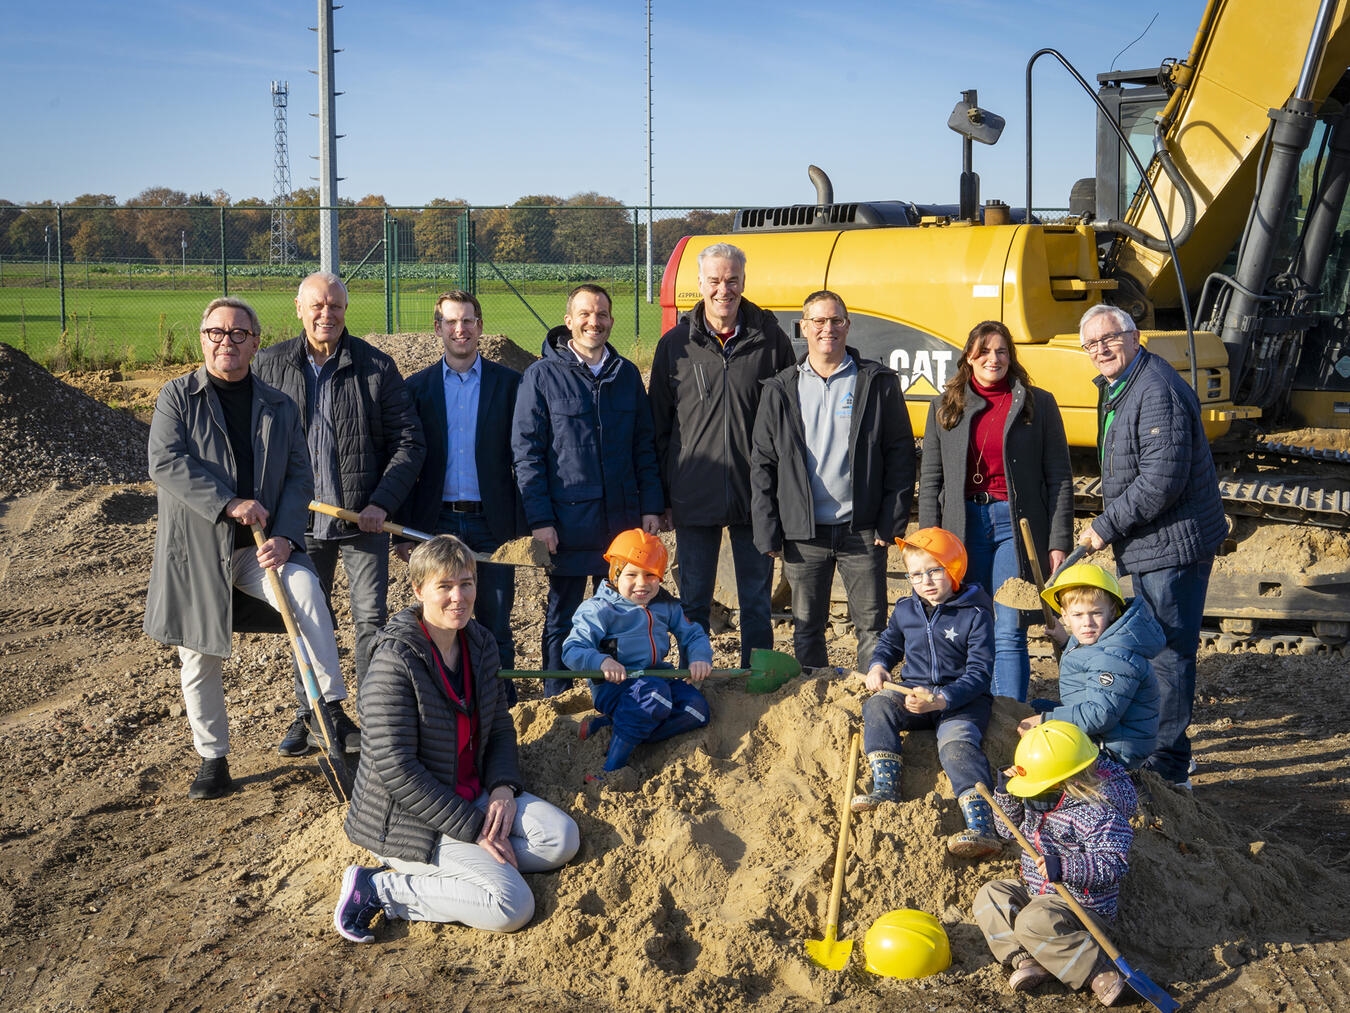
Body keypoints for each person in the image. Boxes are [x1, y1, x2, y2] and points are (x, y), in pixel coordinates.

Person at [145, 297, 353, 800]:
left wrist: (285, 535)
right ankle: (212, 758)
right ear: (203, 339)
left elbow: (300, 477)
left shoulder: (279, 406)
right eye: (216, 333)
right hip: (199, 554)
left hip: (261, 552)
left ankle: (329, 709)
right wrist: (229, 502)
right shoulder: (178, 397)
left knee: (307, 592)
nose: (227, 342)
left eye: (239, 333)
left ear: (255, 343)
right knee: (198, 657)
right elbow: (165, 463)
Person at [336, 535, 579, 942]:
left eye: (466, 584)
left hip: (472, 792)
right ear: (418, 590)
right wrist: (475, 829)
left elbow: (499, 726)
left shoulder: (479, 643)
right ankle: (378, 889)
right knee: (511, 904)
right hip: (409, 818)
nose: (458, 597)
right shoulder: (394, 660)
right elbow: (396, 769)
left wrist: (502, 788)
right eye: (444, 586)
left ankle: (471, 871)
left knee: (561, 840)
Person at [253, 271, 425, 757]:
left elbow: (409, 442)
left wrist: (381, 503)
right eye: (317, 305)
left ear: (346, 310)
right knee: (307, 619)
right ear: (299, 308)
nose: (326, 314)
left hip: (360, 521)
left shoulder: (376, 366)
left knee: (370, 619)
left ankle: (373, 714)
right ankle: (312, 713)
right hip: (297, 522)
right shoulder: (269, 365)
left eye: (335, 306)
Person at [1076, 304, 1226, 787]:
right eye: (1091, 344)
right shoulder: (1122, 385)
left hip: (1172, 544)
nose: (1100, 349)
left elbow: (1161, 479)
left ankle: (1170, 766)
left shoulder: (1156, 388)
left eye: (1109, 338)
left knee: (1167, 653)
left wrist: (1106, 525)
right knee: (1157, 647)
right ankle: (1163, 751)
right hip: (1151, 541)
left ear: (1134, 335)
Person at [511, 283, 664, 697]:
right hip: (567, 523)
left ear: (611, 320)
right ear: (568, 321)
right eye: (584, 314)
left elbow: (644, 446)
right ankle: (556, 698)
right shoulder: (541, 377)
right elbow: (527, 454)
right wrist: (540, 520)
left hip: (621, 526)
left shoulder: (626, 375)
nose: (593, 322)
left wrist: (651, 506)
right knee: (563, 615)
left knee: (617, 615)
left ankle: (608, 698)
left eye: (601, 315)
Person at [751, 289, 915, 673]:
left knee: (871, 627)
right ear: (803, 327)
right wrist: (768, 529)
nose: (828, 328)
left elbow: (900, 455)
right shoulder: (780, 388)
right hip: (804, 533)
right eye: (819, 321)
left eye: (836, 320)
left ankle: (872, 697)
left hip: (862, 530)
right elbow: (763, 463)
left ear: (848, 326)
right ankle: (815, 696)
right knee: (807, 628)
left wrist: (890, 521)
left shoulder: (876, 382)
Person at [649, 243, 795, 667]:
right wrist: (663, 497)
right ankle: (693, 682)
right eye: (714, 280)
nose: (723, 289)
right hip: (694, 493)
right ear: (700, 284)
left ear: (744, 282)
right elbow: (658, 427)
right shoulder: (675, 345)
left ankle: (757, 682)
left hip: (756, 494)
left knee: (756, 602)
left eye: (732, 280)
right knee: (694, 602)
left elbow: (790, 423)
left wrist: (781, 493)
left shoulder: (771, 340)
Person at [918, 320, 1073, 702]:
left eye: (1001, 351)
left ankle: (1009, 714)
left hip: (1015, 528)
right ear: (969, 357)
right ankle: (974, 708)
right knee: (971, 622)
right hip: (962, 528)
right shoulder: (944, 408)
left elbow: (1060, 478)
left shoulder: (1038, 404)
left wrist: (1058, 542)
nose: (993, 358)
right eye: (984, 351)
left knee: (1009, 624)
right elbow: (932, 480)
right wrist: (927, 545)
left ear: (1011, 357)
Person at [399, 292, 526, 702]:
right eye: (451, 322)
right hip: (436, 524)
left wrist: (525, 523)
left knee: (495, 621)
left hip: (492, 522)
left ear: (480, 327)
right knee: (441, 620)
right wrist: (403, 530)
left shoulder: (509, 385)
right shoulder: (417, 388)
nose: (460, 329)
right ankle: (448, 704)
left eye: (468, 321)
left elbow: (525, 456)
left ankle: (501, 709)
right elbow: (406, 459)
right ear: (437, 328)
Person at [852, 527, 1002, 859]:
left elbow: (980, 674)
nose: (926, 581)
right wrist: (878, 665)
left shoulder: (976, 613)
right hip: (914, 693)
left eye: (935, 571)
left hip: (962, 702)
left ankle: (982, 825)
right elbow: (890, 643)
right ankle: (885, 787)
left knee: (956, 747)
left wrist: (944, 699)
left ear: (954, 569)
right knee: (877, 706)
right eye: (916, 574)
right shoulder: (906, 609)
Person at [975, 719, 1137, 1006]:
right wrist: (1005, 794)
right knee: (990, 894)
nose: (1031, 793)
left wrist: (1065, 866)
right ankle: (1028, 960)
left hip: (1082, 910)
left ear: (1066, 782)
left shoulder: (1098, 813)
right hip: (1040, 897)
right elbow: (1008, 831)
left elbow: (1112, 863)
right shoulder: (1039, 800)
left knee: (1032, 921)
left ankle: (1098, 972)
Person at [563, 529, 713, 785]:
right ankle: (611, 769)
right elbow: (572, 649)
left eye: (650, 575)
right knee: (654, 697)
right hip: (616, 686)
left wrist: (699, 657)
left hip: (658, 679)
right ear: (615, 573)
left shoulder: (665, 605)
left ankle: (615, 726)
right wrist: (601, 661)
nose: (642, 583)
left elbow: (693, 634)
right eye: (631, 574)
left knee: (696, 711)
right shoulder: (599, 609)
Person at [1019, 564, 1162, 769]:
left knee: (1041, 727)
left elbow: (1099, 715)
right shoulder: (1101, 640)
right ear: (1065, 615)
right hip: (1102, 734)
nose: (1087, 623)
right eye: (1077, 615)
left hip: (1113, 751)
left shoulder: (1115, 657)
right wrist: (1064, 641)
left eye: (1095, 613)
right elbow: (1090, 659)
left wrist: (1045, 720)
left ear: (1112, 611)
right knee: (1037, 706)